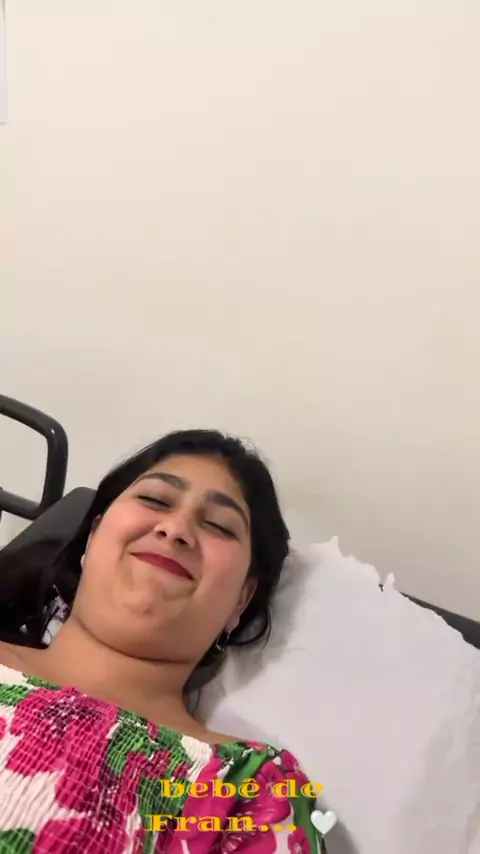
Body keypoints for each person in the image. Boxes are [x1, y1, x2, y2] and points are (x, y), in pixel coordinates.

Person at [0, 429, 325, 854]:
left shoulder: (251, 789)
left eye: (218, 525)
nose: (175, 529)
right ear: (93, 537)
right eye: (155, 500)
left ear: (241, 601)